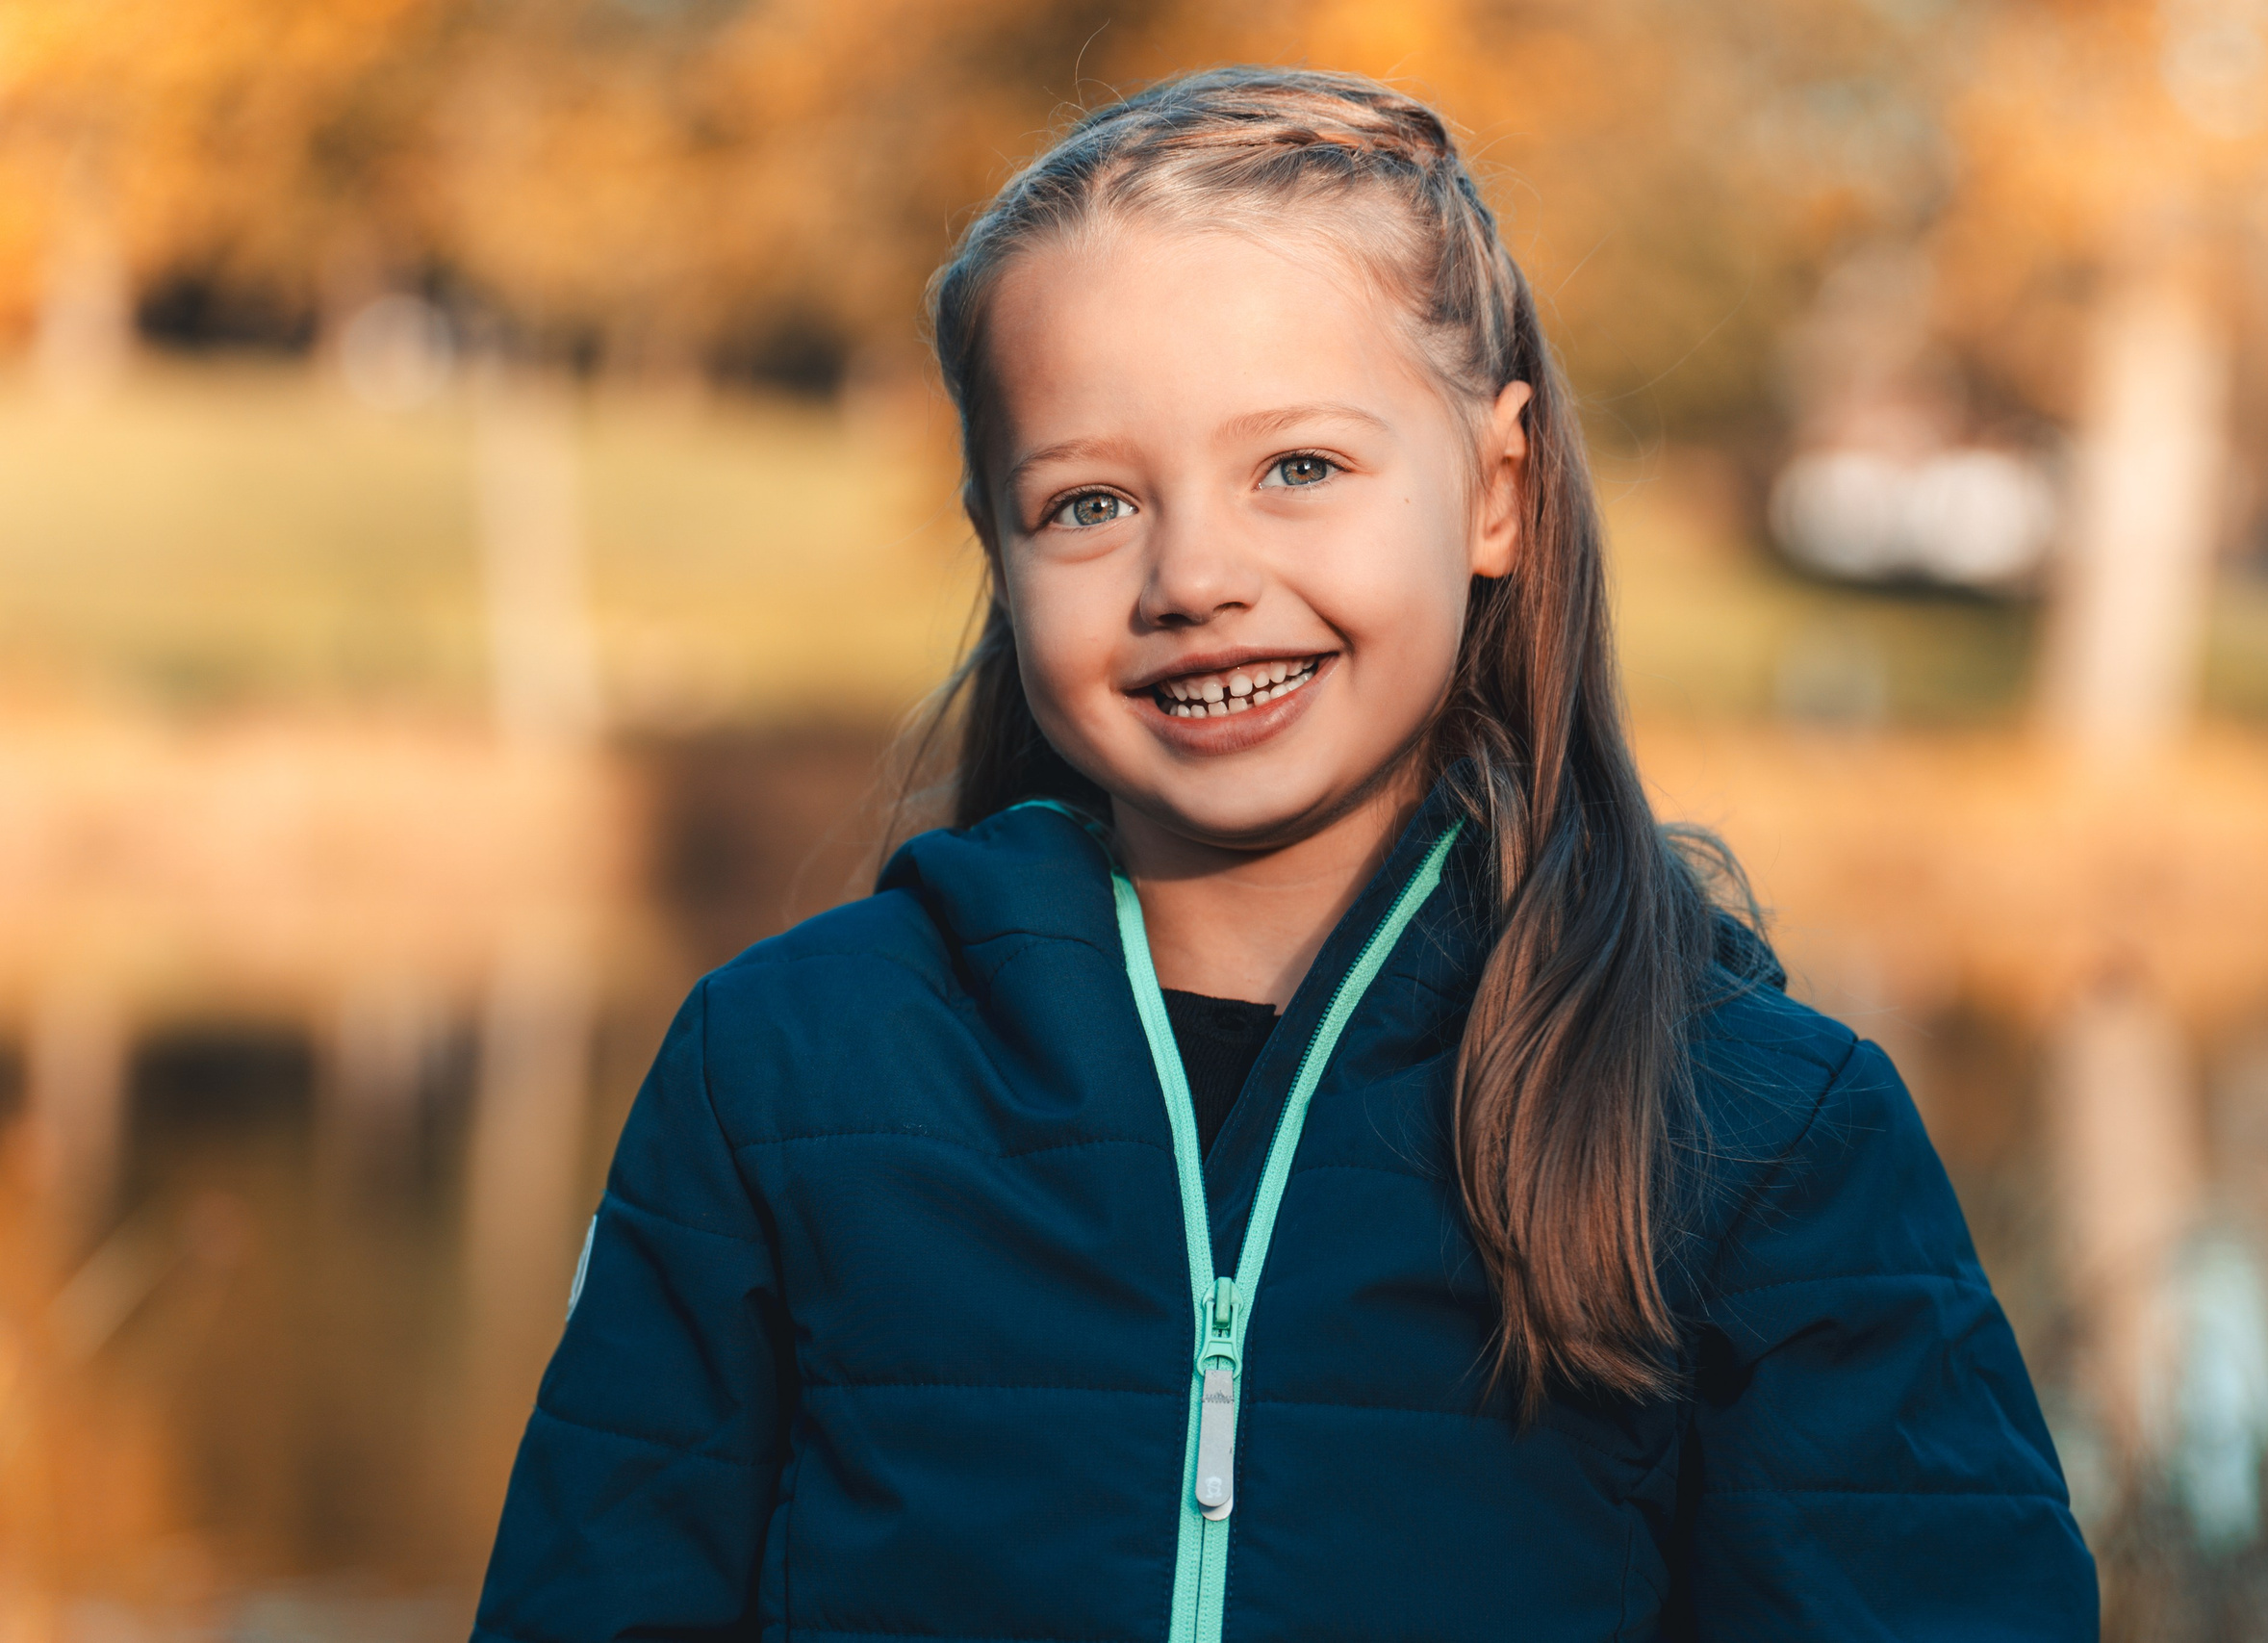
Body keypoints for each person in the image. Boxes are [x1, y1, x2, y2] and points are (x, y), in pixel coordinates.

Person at [471, 66, 2096, 1643]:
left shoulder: (1755, 1128)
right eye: (1089, 505)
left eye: (1298, 469)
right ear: (997, 546)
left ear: (1498, 492)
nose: (1196, 575)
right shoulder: (783, 1076)